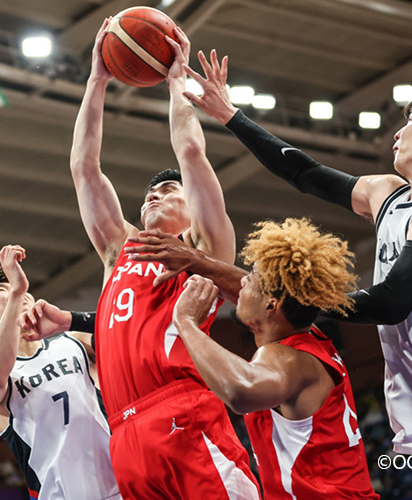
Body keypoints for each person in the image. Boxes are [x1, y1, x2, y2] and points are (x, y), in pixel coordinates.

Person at [182, 51, 412, 498]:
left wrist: (298, 297)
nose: (398, 132)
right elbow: (304, 172)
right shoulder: (387, 194)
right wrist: (230, 116)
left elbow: (392, 301)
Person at [68, 18, 260, 499]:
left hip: (184, 412)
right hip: (124, 433)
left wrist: (176, 83)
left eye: (168, 190)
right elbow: (84, 168)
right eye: (149, 194)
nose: (153, 195)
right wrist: (97, 79)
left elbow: (191, 151)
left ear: (191, 205)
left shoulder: (204, 245)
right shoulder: (119, 250)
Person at [167, 217, 379, 499]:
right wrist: (194, 260)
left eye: (251, 278)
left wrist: (186, 323)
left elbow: (240, 391)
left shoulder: (286, 358)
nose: (242, 280)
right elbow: (253, 290)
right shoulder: (307, 337)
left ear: (270, 305)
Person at [0, 245, 121, 500]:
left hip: (122, 486)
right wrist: (16, 291)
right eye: (2, 290)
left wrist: (68, 318)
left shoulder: (74, 340)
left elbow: (122, 324)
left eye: (21, 289)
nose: (19, 291)